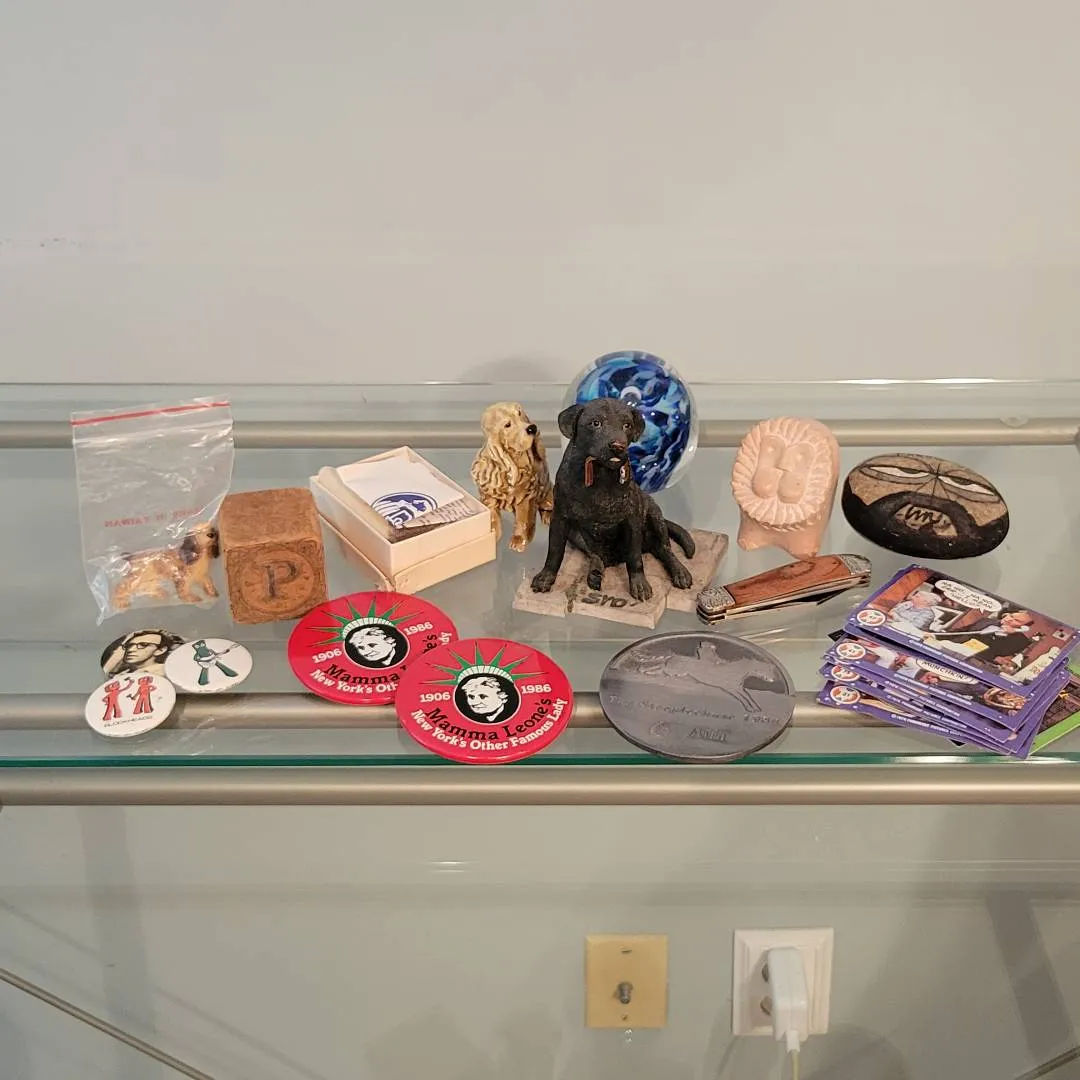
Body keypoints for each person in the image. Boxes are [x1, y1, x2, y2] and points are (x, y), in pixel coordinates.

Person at [930, 609, 1036, 667]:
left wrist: (1006, 634)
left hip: (972, 660)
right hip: (949, 647)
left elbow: (998, 653)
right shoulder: (986, 621)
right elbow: (961, 631)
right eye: (1011, 616)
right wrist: (935, 635)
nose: (1009, 619)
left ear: (1023, 627)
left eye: (1017, 621)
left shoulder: (1020, 641)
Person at [102, 630, 183, 676]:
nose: (130, 650)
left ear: (160, 650)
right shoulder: (124, 673)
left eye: (143, 645)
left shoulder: (166, 671)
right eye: (129, 645)